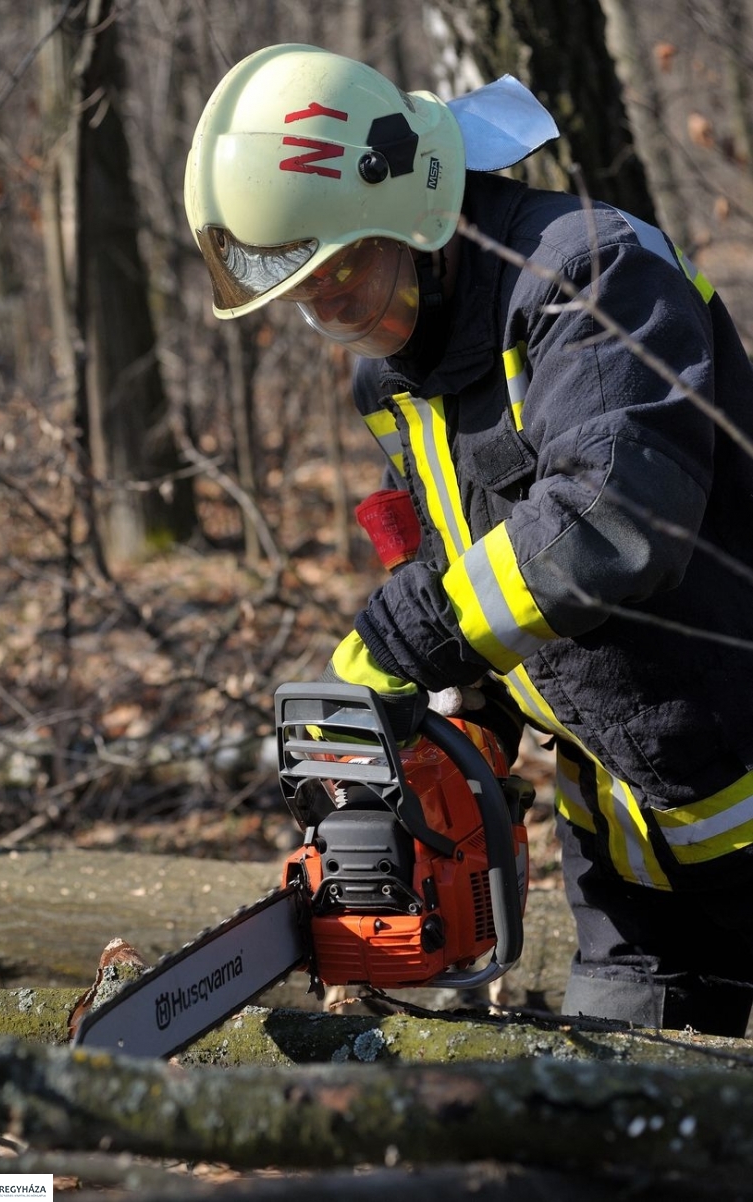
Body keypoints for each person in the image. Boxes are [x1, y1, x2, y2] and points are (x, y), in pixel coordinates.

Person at [184, 44, 753, 1037]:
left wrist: (414, 640)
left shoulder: (587, 274)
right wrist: (461, 720)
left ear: (411, 201)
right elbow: (465, 558)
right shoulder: (393, 379)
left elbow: (612, 516)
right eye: (306, 293)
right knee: (597, 1116)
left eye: (341, 271)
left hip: (733, 767)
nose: (332, 309)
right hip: (618, 827)